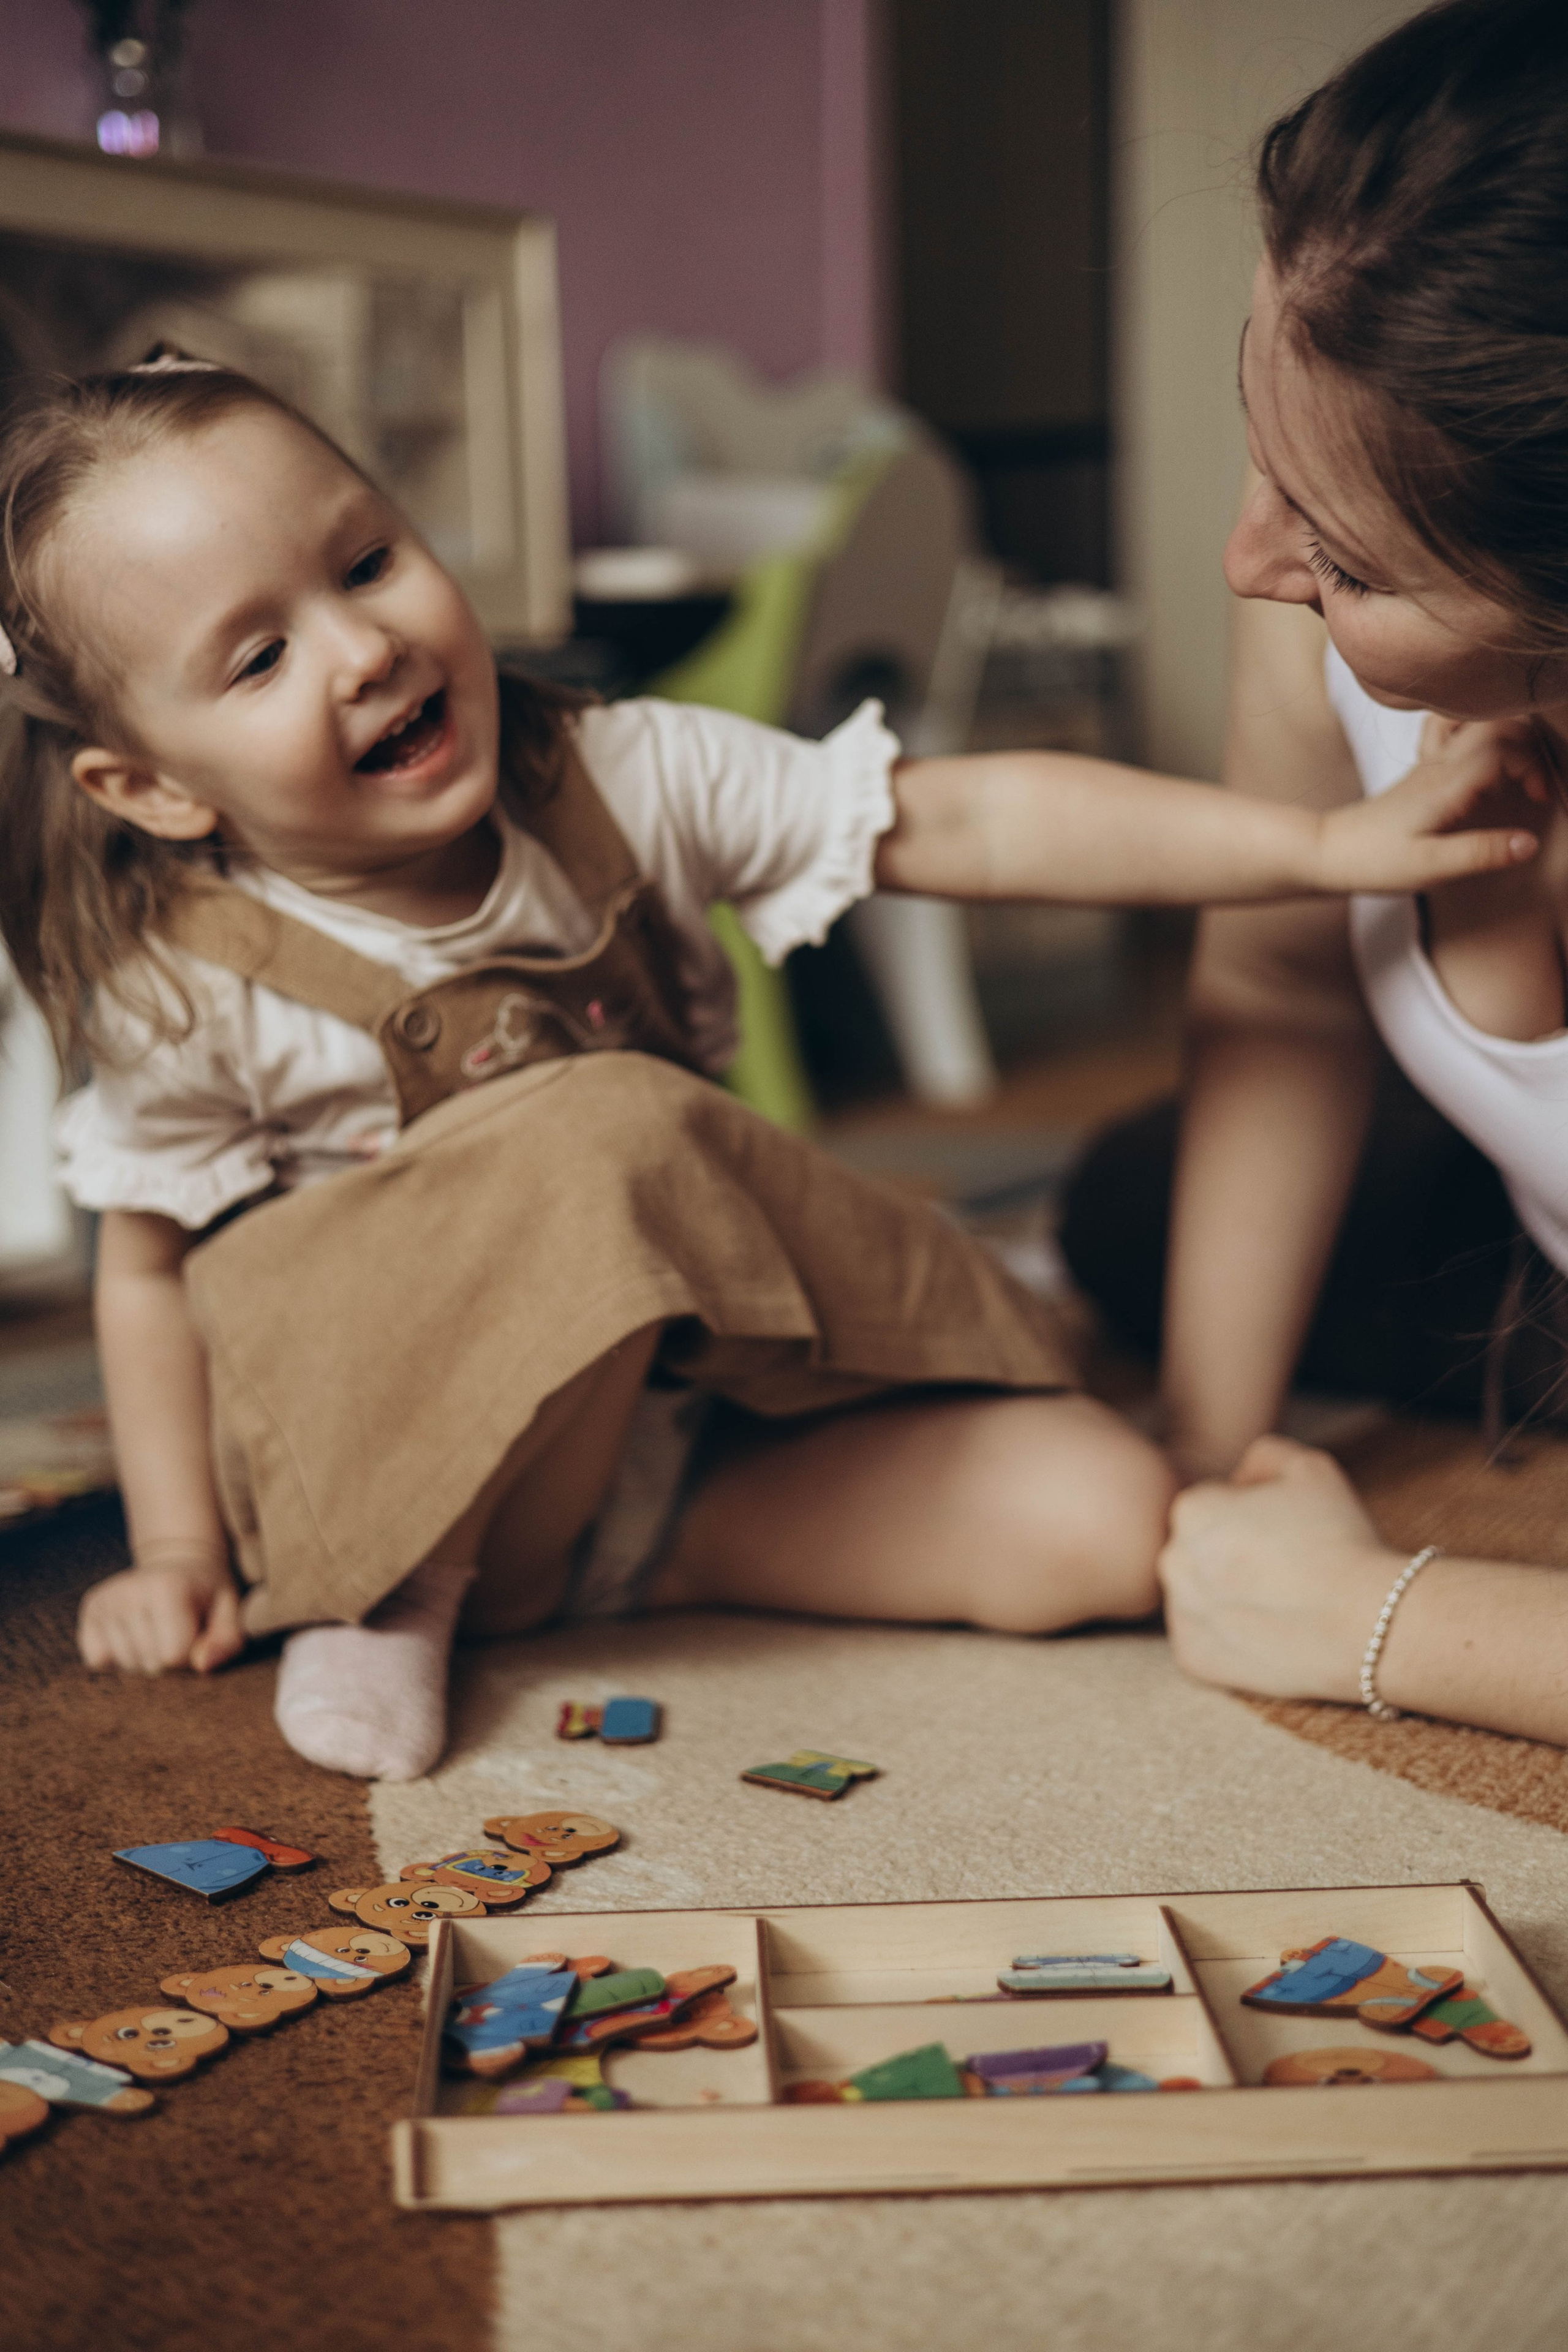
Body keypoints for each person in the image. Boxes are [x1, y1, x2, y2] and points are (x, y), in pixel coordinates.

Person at [0, 351, 1526, 1784]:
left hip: (675, 1439)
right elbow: (149, 1273)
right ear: (146, 786)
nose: (363, 647)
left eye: (366, 563)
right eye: (260, 655)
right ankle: (396, 1589)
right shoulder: (189, 989)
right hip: (379, 1461)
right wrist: (182, 1555)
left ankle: (647, 1563)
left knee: (1114, 1523)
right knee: (596, 1127)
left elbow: (965, 823)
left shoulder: (622, 773)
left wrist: (1319, 846)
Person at [1063, 0, 1568, 1744]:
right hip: (1520, 1239)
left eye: (1340, 553)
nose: (1244, 556)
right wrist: (1210, 1458)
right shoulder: (1312, 613)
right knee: (1126, 1207)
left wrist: (1363, 1615)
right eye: (1256, 453)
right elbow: (1282, 979)